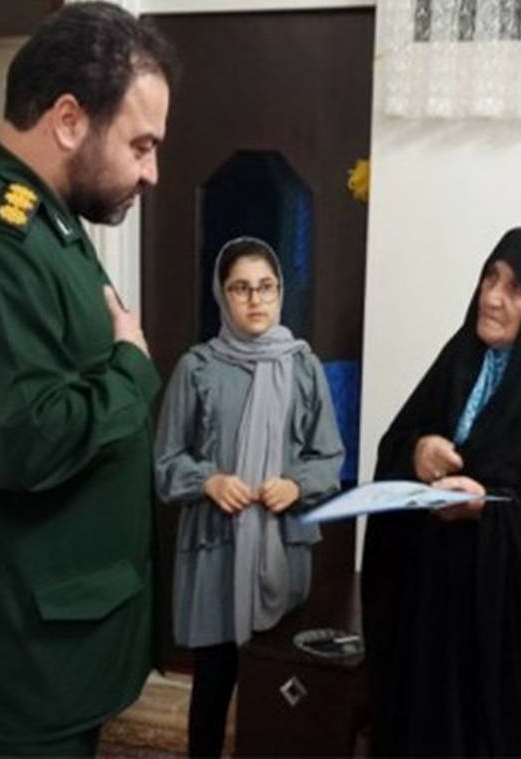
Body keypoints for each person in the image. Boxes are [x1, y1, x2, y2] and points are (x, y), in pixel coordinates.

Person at [0, 2, 177, 756]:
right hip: (2, 669)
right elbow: (28, 440)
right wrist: (131, 368)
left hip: (41, 651)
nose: (152, 171)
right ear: (70, 119)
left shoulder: (47, 220)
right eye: (141, 145)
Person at [361, 227, 521, 757]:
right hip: (436, 622)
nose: (493, 297)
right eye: (490, 277)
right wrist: (418, 452)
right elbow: (397, 443)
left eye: (516, 289)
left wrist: (490, 509)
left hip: (510, 642)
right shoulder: (459, 358)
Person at [154, 237, 346, 758]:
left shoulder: (303, 365)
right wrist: (209, 481)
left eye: (266, 287)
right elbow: (166, 463)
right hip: (216, 546)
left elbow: (330, 456)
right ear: (222, 295)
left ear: (281, 292)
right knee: (214, 679)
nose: (256, 299)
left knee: (280, 682)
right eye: (241, 288)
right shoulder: (197, 368)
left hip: (283, 546)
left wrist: (297, 484)